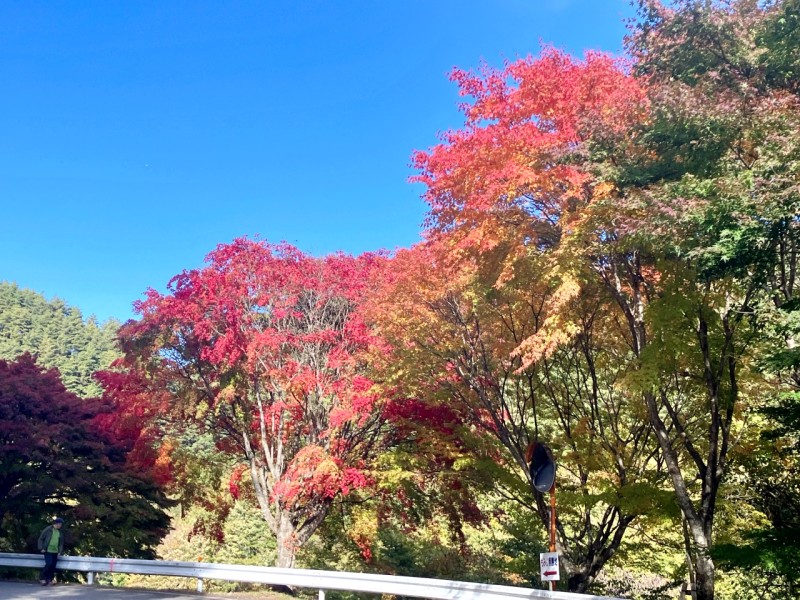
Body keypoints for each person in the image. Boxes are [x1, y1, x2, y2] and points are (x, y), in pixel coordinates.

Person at [37, 517, 65, 586]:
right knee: (49, 564)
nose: (60, 525)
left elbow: (61, 543)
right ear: (57, 523)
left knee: (53, 565)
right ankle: (42, 578)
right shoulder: (48, 529)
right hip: (48, 550)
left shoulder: (60, 532)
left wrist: (59, 551)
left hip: (55, 551)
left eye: (61, 524)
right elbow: (41, 538)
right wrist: (41, 548)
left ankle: (49, 579)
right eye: (60, 524)